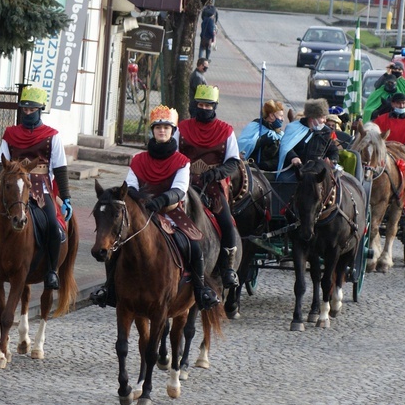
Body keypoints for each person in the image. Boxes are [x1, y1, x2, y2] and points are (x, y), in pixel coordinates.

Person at [90, 105, 220, 310]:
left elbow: (180, 189)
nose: (162, 131)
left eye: (166, 128)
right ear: (153, 131)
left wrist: (161, 201)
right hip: (142, 211)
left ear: (172, 132)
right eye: (158, 128)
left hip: (172, 211)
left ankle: (200, 289)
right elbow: (131, 185)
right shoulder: (138, 159)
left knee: (193, 245)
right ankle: (109, 289)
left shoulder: (182, 161)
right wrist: (141, 202)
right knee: (115, 244)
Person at [0, 86, 72, 289]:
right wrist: (7, 179)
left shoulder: (53, 136)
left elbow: (60, 169)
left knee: (52, 224)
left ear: (40, 110)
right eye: (25, 109)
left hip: (40, 187)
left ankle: (51, 271)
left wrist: (66, 198)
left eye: (32, 109)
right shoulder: (10, 133)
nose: (28, 113)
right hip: (12, 184)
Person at [176, 85, 241, 289]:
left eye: (208, 105)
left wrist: (216, 173)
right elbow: (173, 153)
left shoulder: (226, 131)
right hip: (183, 182)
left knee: (227, 223)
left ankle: (228, 268)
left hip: (211, 186)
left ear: (215, 106)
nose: (203, 108)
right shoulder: (182, 128)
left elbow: (233, 161)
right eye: (200, 104)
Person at [277, 98, 340, 181]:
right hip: (295, 170)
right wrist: (293, 157)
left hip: (317, 170)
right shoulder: (294, 128)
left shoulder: (325, 132)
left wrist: (332, 160)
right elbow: (286, 147)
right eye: (322, 117)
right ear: (312, 118)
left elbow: (333, 150)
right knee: (284, 180)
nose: (325, 121)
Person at [237, 99, 285, 171]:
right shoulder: (255, 127)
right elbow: (242, 144)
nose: (283, 119)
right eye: (281, 116)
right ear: (271, 115)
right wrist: (261, 141)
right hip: (251, 169)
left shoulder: (279, 133)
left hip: (271, 170)